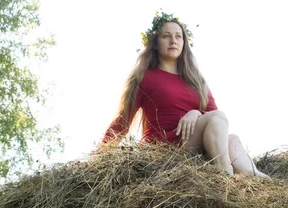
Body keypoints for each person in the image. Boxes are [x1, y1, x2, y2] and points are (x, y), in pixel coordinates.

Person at [102, 11, 268, 178]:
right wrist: (99, 158)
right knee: (218, 118)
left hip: (193, 142)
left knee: (232, 139)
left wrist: (195, 113)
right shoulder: (144, 77)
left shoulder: (196, 79)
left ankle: (257, 177)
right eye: (166, 36)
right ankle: (225, 176)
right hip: (165, 147)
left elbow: (216, 119)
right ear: (155, 43)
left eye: (178, 36)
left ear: (184, 42)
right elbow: (122, 121)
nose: (173, 40)